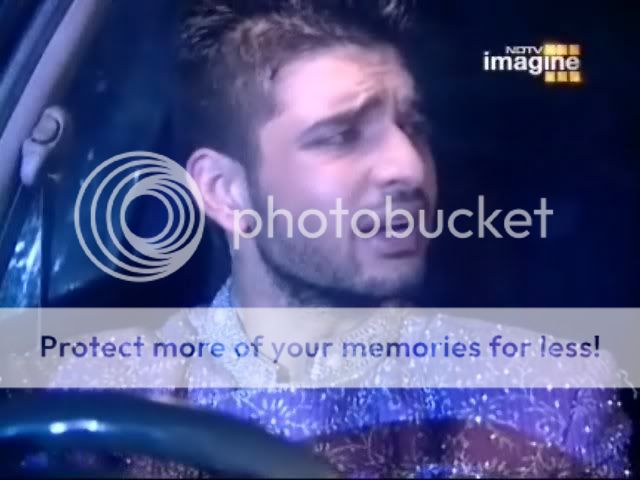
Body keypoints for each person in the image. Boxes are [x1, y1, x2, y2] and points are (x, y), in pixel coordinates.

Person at [46, 0, 631, 477]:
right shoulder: (109, 403)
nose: (409, 166)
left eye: (414, 126)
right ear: (226, 191)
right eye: (342, 135)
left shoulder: (552, 398)